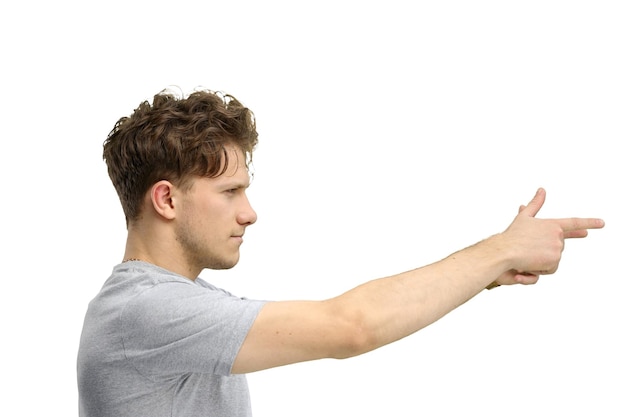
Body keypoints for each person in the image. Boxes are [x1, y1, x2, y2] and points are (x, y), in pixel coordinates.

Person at [77, 88, 604, 417]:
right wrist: (498, 250)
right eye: (231, 192)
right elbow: (352, 325)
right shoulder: (144, 313)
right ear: (166, 199)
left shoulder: (176, 305)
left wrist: (487, 271)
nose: (250, 213)